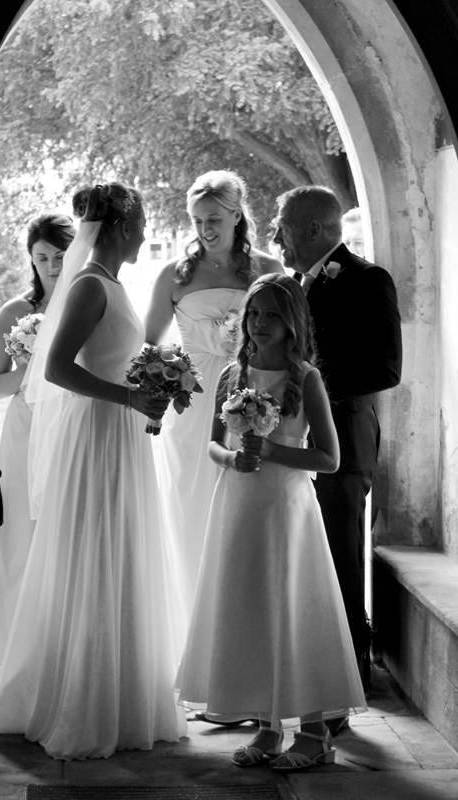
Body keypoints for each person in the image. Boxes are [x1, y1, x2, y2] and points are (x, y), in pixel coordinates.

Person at [0, 182, 186, 760]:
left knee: (119, 551)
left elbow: (113, 360)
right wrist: (127, 398)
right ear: (122, 226)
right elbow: (52, 369)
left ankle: (123, 695)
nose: (147, 232)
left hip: (119, 434)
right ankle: (83, 700)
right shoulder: (87, 286)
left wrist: (153, 382)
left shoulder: (113, 284)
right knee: (94, 550)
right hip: (97, 436)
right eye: (144, 221)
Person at [176, 273, 365, 770]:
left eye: (272, 315)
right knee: (250, 605)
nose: (259, 324)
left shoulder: (306, 378)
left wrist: (275, 449)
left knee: (291, 608)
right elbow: (215, 444)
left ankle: (315, 731)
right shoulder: (232, 375)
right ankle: (266, 726)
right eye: (254, 313)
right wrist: (231, 459)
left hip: (285, 509)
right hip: (238, 503)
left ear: (293, 322)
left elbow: (329, 459)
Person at [272, 186, 402, 705]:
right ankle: (310, 670)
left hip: (343, 440)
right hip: (290, 442)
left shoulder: (368, 280)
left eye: (281, 225)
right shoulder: (292, 285)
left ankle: (348, 681)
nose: (275, 235)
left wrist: (312, 390)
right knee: (307, 556)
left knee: (342, 557)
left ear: (312, 230)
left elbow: (386, 368)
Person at [144, 169, 281, 632]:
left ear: (237, 215)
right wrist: (167, 379)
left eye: (215, 218)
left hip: (250, 403)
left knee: (243, 517)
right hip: (193, 407)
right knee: (192, 514)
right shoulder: (174, 276)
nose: (206, 229)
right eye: (198, 220)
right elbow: (149, 346)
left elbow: (291, 341)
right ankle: (192, 630)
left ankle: (243, 629)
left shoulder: (268, 270)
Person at [0, 212, 75, 672]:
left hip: (70, 428)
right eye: (42, 258)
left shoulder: (85, 303)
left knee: (61, 542)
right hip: (25, 432)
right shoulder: (15, 312)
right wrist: (27, 365)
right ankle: (13, 659)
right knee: (21, 539)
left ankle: (59, 658)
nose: (51, 266)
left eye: (60, 256)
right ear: (31, 260)